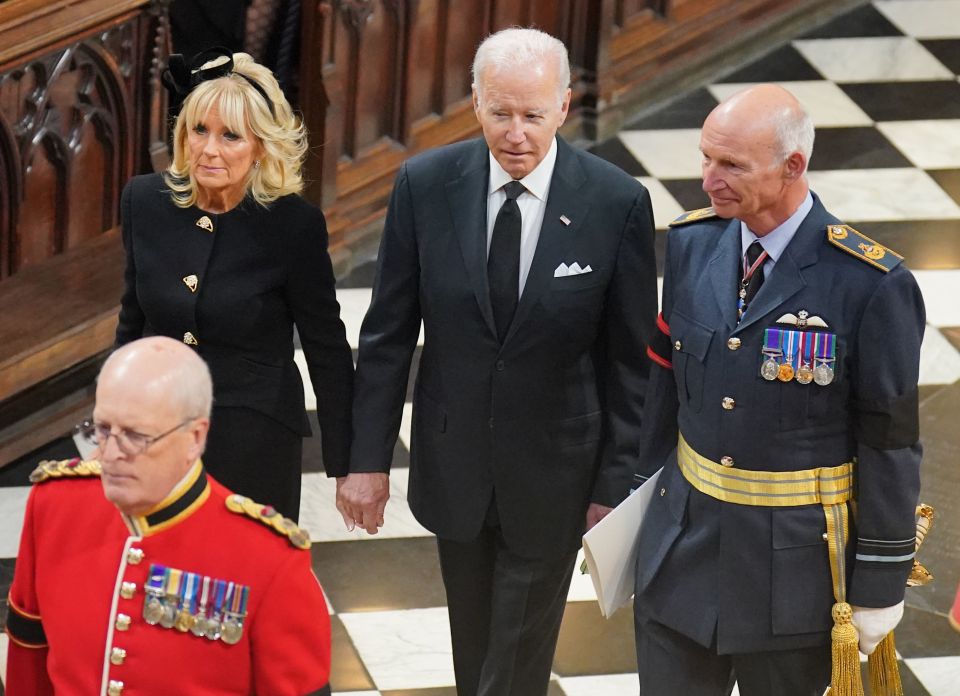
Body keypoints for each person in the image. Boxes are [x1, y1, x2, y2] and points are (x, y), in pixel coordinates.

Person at [337, 27, 658, 696]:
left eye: (533, 115)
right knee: (475, 643)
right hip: (455, 467)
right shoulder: (424, 185)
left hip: (558, 475)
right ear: (475, 102)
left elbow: (631, 365)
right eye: (500, 113)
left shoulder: (614, 202)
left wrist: (613, 486)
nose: (516, 133)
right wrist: (367, 462)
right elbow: (389, 333)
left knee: (513, 660)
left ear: (564, 107)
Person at [632, 84, 924, 696]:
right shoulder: (692, 244)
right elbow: (665, 388)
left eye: (731, 165)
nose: (709, 180)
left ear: (793, 166)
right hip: (680, 553)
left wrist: (880, 581)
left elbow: (889, 441)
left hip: (794, 577)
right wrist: (633, 505)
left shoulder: (869, 284)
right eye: (705, 157)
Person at [4, 337, 331, 695]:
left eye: (135, 436)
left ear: (195, 436)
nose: (110, 454)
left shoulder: (270, 561)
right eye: (102, 429)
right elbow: (29, 657)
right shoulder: (55, 506)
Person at [115, 48, 353, 521]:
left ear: (261, 146)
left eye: (231, 136)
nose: (209, 149)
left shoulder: (293, 227)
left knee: (242, 586)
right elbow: (131, 322)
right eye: (199, 130)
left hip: (254, 441)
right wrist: (112, 425)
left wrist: (351, 465)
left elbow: (327, 348)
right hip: (158, 434)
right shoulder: (144, 201)